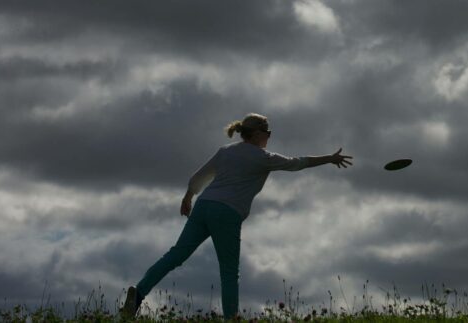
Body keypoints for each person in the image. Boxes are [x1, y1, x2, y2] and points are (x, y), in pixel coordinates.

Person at [120, 113, 352, 318]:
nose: (270, 137)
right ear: (258, 134)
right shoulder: (263, 158)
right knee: (229, 271)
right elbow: (297, 163)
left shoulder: (226, 151)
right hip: (227, 212)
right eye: (268, 132)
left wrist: (188, 196)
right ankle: (231, 318)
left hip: (204, 205)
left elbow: (200, 176)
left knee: (176, 254)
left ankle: (138, 294)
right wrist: (329, 158)